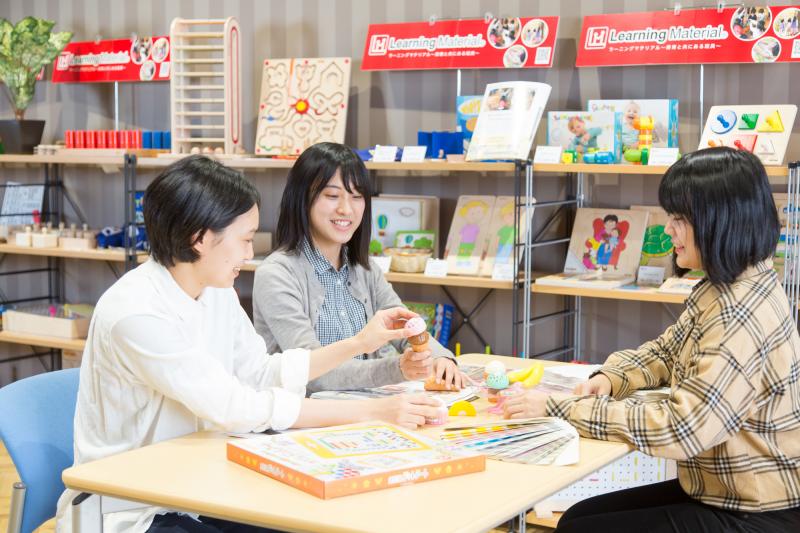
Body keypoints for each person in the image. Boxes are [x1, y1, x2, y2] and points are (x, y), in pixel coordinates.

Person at [55, 155, 442, 533]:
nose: (249, 253)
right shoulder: (136, 313)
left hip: (199, 484)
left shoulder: (214, 288)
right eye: (244, 239)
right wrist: (370, 412)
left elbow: (261, 371)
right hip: (134, 505)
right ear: (199, 239)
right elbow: (235, 407)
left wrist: (358, 342)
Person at [504, 147, 800, 532]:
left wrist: (560, 409)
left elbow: (681, 428)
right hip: (726, 490)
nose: (668, 230)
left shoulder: (738, 315)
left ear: (720, 220)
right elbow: (666, 351)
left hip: (756, 510)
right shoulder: (730, 284)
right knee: (578, 518)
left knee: (580, 528)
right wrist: (611, 377)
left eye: (679, 219)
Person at [254, 142, 466, 394]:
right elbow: (310, 372)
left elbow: (404, 325)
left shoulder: (365, 269)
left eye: (357, 197)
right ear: (302, 198)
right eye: (332, 196)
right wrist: (398, 368)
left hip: (367, 407)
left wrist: (441, 358)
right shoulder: (276, 274)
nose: (346, 209)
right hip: (306, 413)